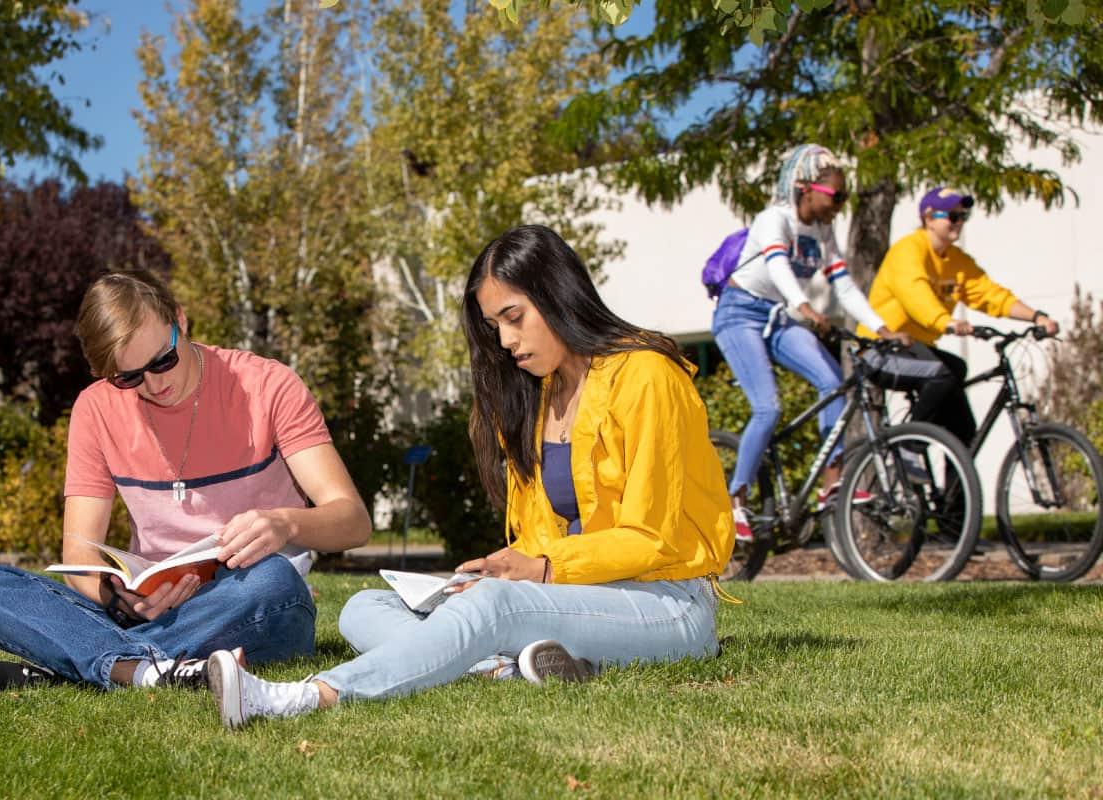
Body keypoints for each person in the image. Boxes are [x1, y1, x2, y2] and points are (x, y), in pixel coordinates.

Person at [204, 224, 735, 729]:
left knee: (493, 606)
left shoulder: (646, 375)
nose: (504, 340)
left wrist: (541, 570)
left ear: (558, 294)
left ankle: (302, 696)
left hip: (666, 604)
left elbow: (651, 537)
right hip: (577, 597)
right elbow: (539, 537)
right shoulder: (537, 397)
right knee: (366, 608)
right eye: (493, 326)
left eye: (514, 316)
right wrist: (499, 571)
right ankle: (505, 667)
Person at [0, 269, 371, 697]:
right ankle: (155, 670)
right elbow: (78, 557)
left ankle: (87, 667)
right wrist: (118, 600)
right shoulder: (95, 410)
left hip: (250, 605)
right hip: (146, 613)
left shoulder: (268, 386)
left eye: (162, 360)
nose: (155, 385)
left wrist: (286, 524)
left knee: (274, 580)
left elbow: (353, 521)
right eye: (129, 378)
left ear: (180, 320)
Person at [712, 144, 910, 542]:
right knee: (768, 408)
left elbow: (845, 286)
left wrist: (881, 328)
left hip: (778, 316)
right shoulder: (774, 219)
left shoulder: (822, 232)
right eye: (836, 195)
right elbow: (777, 266)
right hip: (739, 314)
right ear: (806, 188)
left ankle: (832, 483)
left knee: (834, 382)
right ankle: (735, 500)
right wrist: (803, 305)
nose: (841, 204)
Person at [857, 187, 1060, 446]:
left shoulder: (957, 261)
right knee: (942, 374)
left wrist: (1037, 317)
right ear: (929, 218)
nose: (959, 222)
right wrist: (947, 323)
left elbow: (990, 294)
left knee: (962, 420)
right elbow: (914, 293)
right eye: (952, 216)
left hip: (917, 349)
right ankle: (908, 446)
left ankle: (958, 482)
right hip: (880, 350)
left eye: (964, 216)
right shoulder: (908, 250)